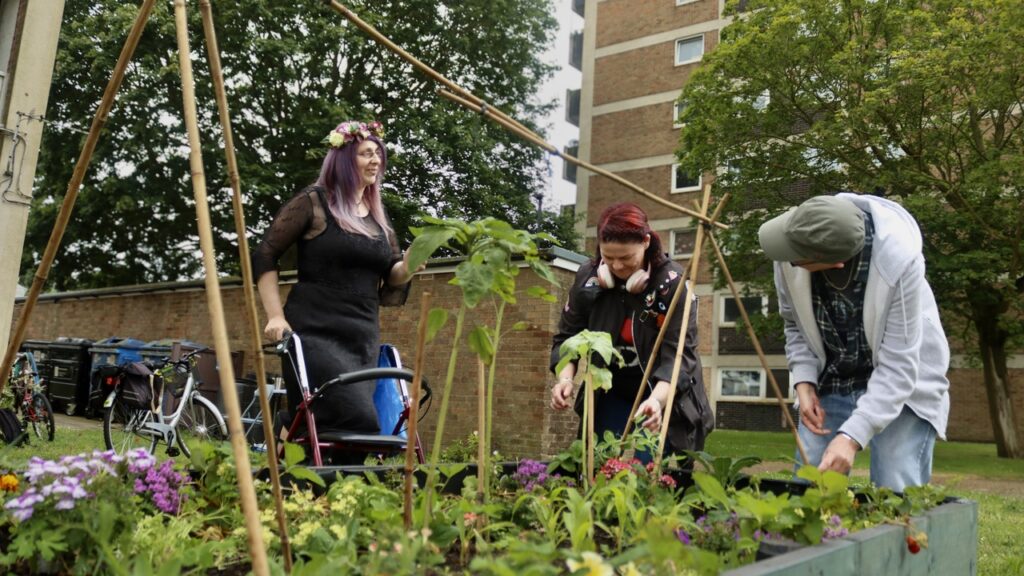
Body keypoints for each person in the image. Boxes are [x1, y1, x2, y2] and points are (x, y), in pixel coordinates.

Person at [758, 193, 950, 491]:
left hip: (905, 380)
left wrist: (850, 437)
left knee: (894, 488)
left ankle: (901, 537)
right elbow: (794, 323)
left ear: (834, 262)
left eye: (796, 257)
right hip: (833, 376)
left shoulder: (900, 265)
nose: (786, 257)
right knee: (812, 482)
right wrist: (804, 381)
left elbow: (899, 367)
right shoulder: (798, 239)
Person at [253, 120, 418, 434]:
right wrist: (274, 316)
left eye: (378, 154)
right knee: (359, 420)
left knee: (333, 428)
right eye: (366, 153)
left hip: (361, 338)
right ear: (344, 161)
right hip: (314, 330)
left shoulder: (378, 219)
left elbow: (393, 274)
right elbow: (264, 253)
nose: (376, 160)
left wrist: (409, 266)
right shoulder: (314, 203)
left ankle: (302, 472)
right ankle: (289, 438)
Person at [549, 203, 714, 458]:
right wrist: (565, 379)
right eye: (608, 257)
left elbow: (678, 358)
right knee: (600, 462)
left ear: (646, 242)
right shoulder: (588, 279)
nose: (616, 267)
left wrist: (657, 402)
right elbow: (567, 338)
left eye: (626, 258)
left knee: (650, 469)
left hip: (658, 390)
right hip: (610, 390)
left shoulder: (672, 285)